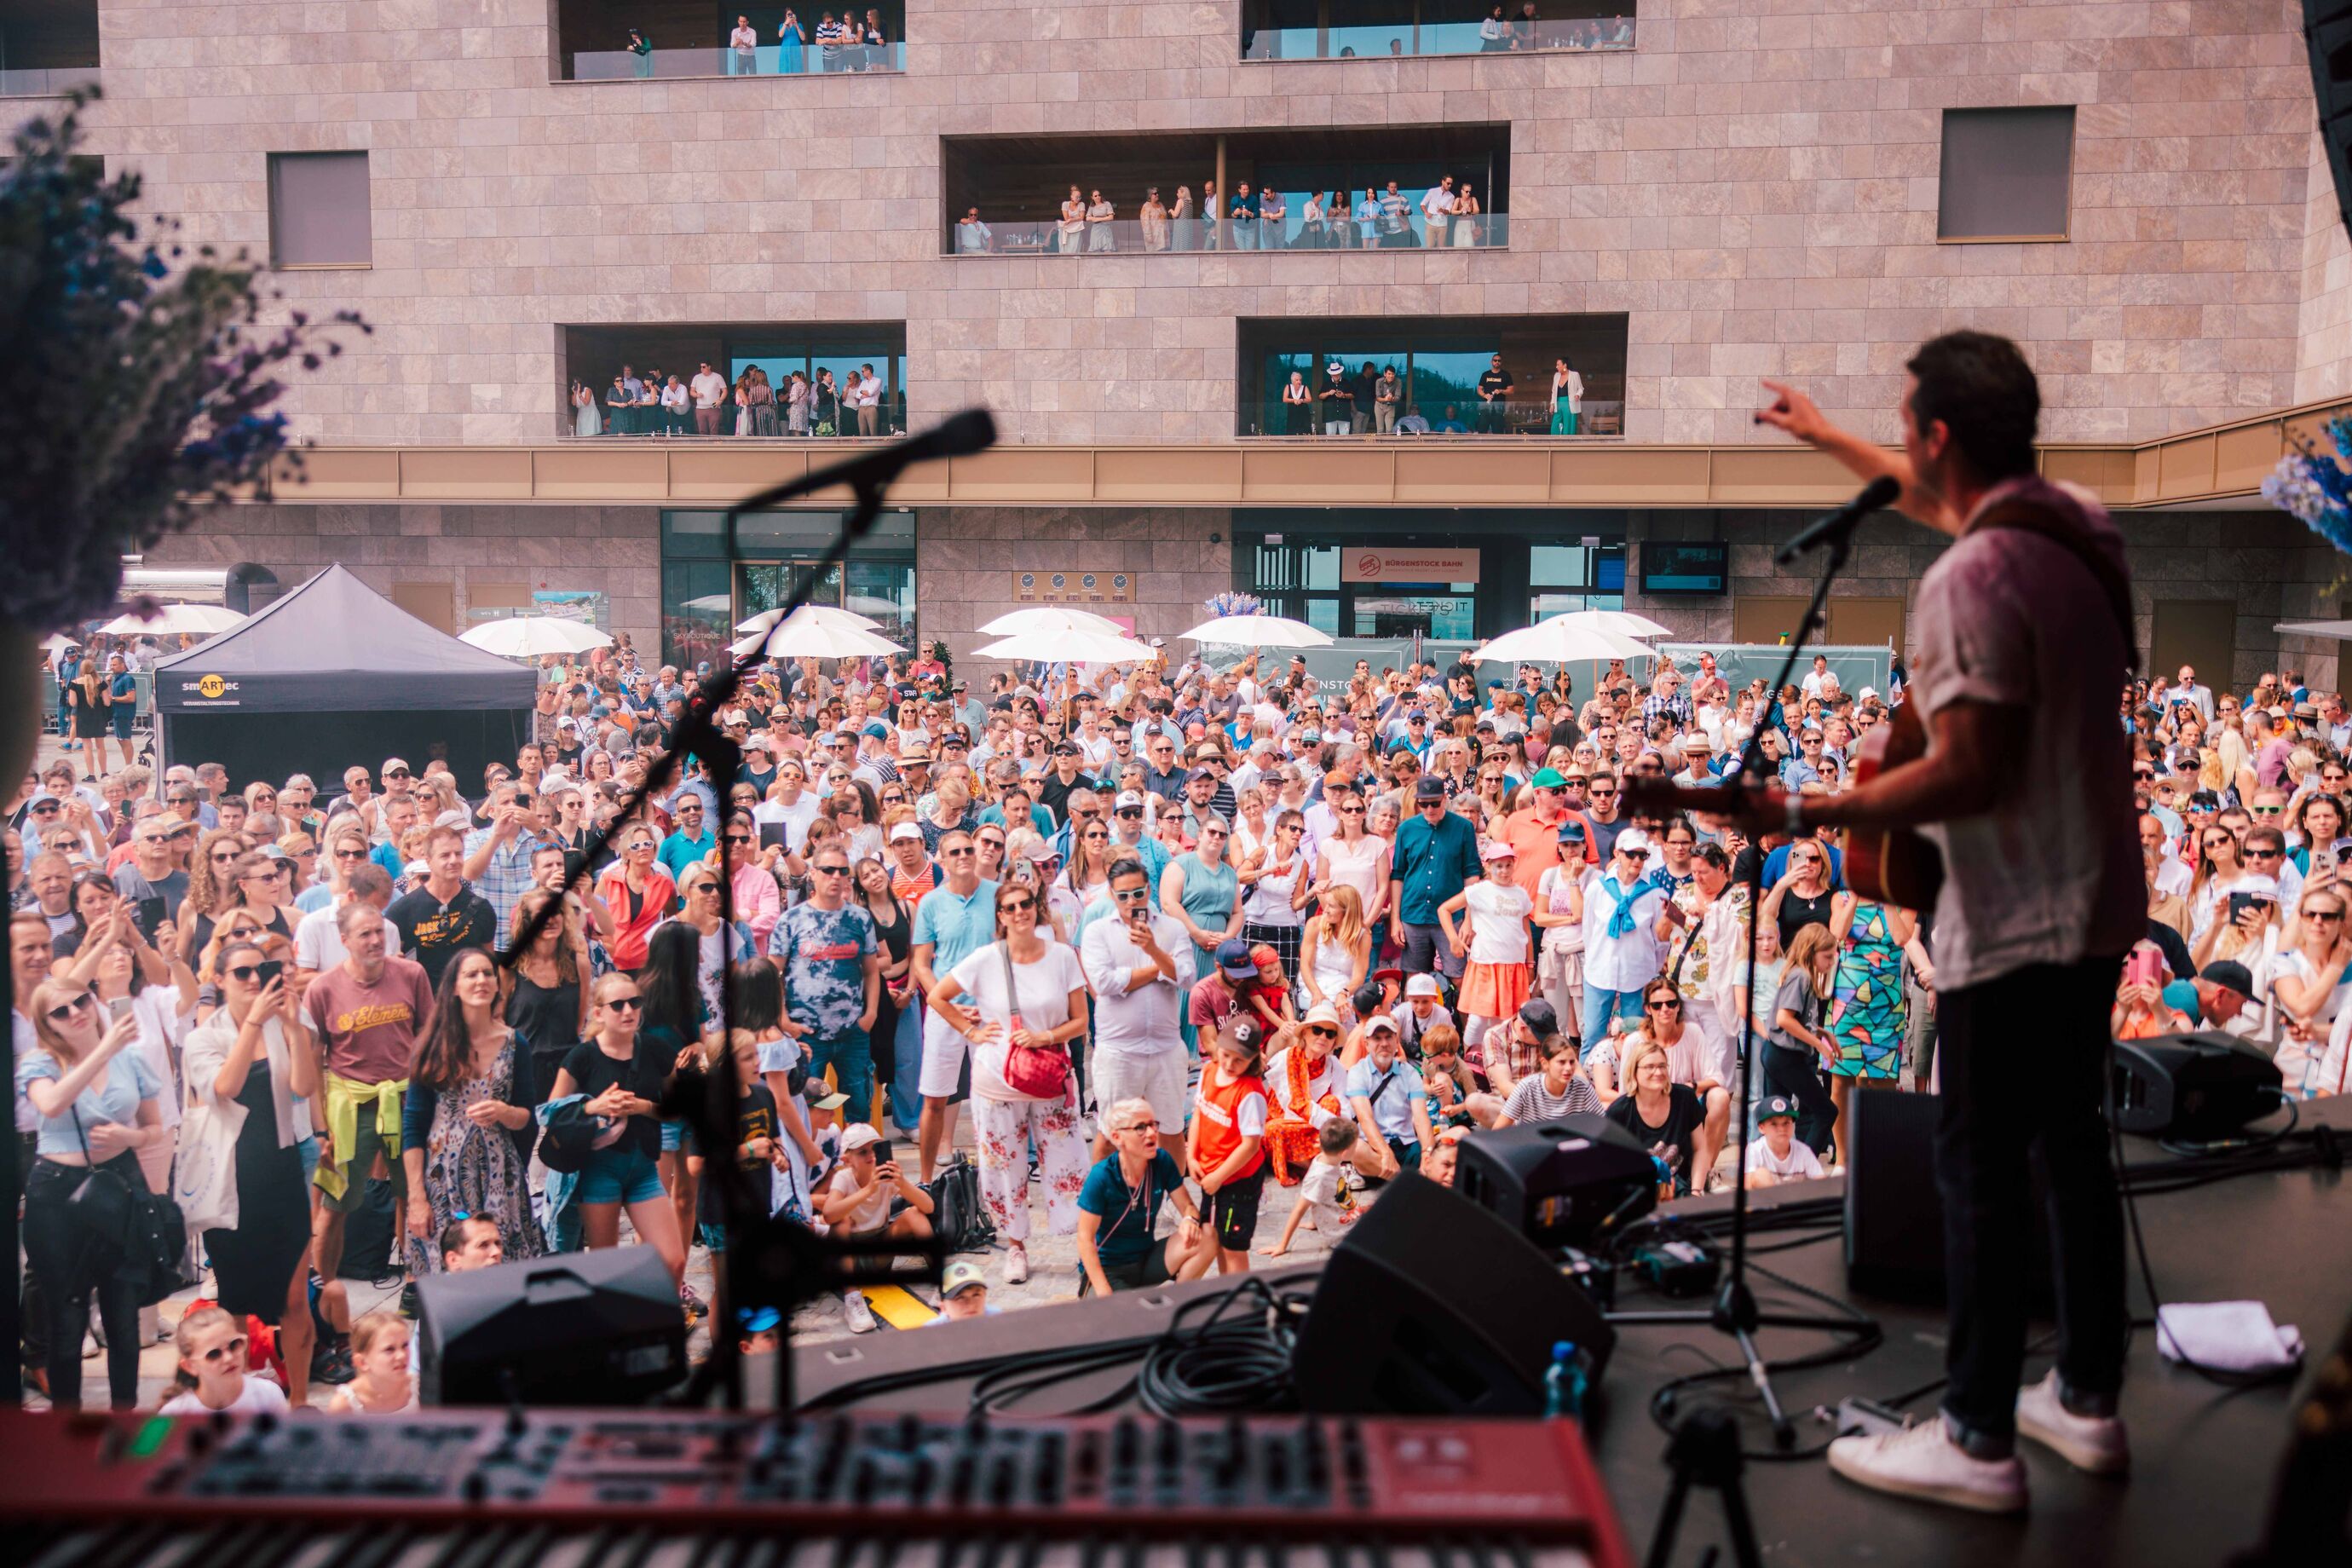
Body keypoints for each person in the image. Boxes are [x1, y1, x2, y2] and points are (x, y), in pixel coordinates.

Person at [1754, 335, 2140, 1509]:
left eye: (1902, 424)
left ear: (1934, 435)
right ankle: (2086, 1399)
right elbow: (1948, 502)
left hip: (2013, 913)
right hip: (2098, 898)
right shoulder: (2079, 526)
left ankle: (1975, 1437)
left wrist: (1819, 804)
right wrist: (1829, 437)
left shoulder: (1966, 585)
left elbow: (1963, 773)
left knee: (1977, 1164)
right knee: (2073, 1148)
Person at [926, 879, 1089, 1284]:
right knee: (1004, 1165)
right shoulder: (985, 959)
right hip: (997, 1078)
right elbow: (937, 996)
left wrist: (1045, 1037)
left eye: (1025, 905)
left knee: (1069, 1160)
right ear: (1000, 916)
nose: (1020, 913)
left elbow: (1081, 1020)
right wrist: (971, 1031)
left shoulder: (1062, 957)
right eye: (1010, 908)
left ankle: (1083, 1241)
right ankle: (1016, 1245)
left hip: (1050, 1076)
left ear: (1036, 908)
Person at [182, 937, 320, 1404]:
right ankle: (239, 1398)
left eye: (259, 969)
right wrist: (256, 1023)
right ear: (219, 981)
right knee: (236, 1305)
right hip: (230, 1184)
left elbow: (303, 1087)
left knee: (296, 1298)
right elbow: (225, 1086)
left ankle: (298, 1399)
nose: (252, 980)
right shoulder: (204, 1037)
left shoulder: (284, 1024)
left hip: (281, 1173)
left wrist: (293, 1029)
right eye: (240, 973)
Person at [17, 977, 164, 1408]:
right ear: (47, 1025)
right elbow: (52, 1104)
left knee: (122, 1315)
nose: (76, 1013)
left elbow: (155, 1126)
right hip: (57, 1196)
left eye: (81, 1001)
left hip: (118, 1184)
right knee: (67, 1317)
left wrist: (130, 1136)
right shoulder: (39, 1062)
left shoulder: (132, 1058)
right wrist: (101, 1048)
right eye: (60, 1011)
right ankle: (68, 1429)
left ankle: (124, 1420)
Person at [304, 900, 434, 1302]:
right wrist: (320, 1128)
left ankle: (415, 1282)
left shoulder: (411, 974)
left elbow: (429, 1038)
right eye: (365, 934)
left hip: (406, 1100)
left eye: (379, 931)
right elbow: (312, 1062)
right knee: (335, 1205)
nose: (375, 940)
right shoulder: (323, 988)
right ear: (344, 941)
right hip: (352, 1106)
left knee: (411, 1195)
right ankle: (323, 1292)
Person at [402, 948, 544, 1277]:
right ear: (454, 986)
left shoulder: (515, 1043)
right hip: (444, 1175)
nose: (481, 980)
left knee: (504, 1268)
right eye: (471, 974)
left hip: (500, 1175)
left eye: (487, 973)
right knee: (449, 1270)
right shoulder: (431, 1044)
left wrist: (503, 1111)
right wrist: (416, 1197)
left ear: (498, 984)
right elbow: (413, 1126)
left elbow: (527, 1116)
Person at [549, 974, 689, 1288]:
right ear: (598, 1012)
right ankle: (616, 1331)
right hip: (599, 1169)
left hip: (643, 1169)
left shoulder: (655, 1049)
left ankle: (655, 1320)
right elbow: (551, 1112)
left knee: (674, 1260)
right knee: (606, 1269)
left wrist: (642, 1107)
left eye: (635, 1003)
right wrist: (592, 1107)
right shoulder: (582, 1057)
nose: (628, 1011)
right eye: (617, 1005)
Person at [1080, 856, 1196, 1154]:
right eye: (1123, 896)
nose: (1132, 902)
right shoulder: (1098, 931)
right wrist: (1158, 971)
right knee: (1111, 1133)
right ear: (1111, 894)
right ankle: (1103, 1201)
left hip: (1166, 1048)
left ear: (1149, 889)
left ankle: (1171, 1200)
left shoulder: (1172, 928)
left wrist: (1153, 950)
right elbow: (1105, 983)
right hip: (1119, 1050)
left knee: (1170, 1131)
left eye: (1138, 893)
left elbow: (1185, 977)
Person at [771, 842, 880, 1122]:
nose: (835, 876)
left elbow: (871, 970)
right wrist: (784, 1021)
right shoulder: (791, 920)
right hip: (806, 1033)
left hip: (852, 1031)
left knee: (858, 1110)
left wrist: (870, 1014)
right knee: (810, 1112)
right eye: (828, 870)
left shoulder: (860, 917)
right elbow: (772, 975)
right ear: (813, 874)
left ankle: (857, 1165)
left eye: (842, 871)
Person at [1075, 1096, 1212, 1294]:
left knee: (1208, 1237)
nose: (1151, 1133)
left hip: (1147, 1259)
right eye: (1140, 1127)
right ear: (1117, 1137)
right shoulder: (1102, 1176)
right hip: (1109, 1269)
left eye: (1152, 1125)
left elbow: (1189, 1208)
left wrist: (1190, 1219)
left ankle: (1177, 1304)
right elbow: (1084, 1238)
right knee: (1131, 1323)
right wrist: (1105, 1292)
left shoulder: (1162, 1160)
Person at [819, 1123, 935, 1333]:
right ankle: (853, 1299)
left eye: (875, 1149)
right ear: (847, 1160)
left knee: (914, 1214)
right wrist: (868, 1190)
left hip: (879, 1249)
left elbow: (928, 1207)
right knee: (842, 1221)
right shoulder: (843, 1178)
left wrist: (902, 1184)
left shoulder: (887, 1177)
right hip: (847, 1256)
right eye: (862, 1152)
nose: (871, 1156)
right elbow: (829, 1214)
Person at [1186, 1017, 1271, 1274]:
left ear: (1254, 1057)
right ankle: (1226, 1290)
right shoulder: (1210, 1071)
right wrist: (1191, 1156)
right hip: (1211, 1173)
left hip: (1237, 1180)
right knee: (1217, 1240)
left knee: (1234, 1247)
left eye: (1240, 1060)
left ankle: (1238, 1297)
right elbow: (1200, 1112)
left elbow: (1250, 1146)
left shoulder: (1250, 1092)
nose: (1230, 1064)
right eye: (1226, 1055)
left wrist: (1218, 1177)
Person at [1439, 839, 1533, 1058]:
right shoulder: (1479, 890)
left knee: (1507, 1019)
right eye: (1498, 866)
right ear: (1488, 866)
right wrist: (1453, 939)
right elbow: (1444, 909)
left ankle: (1498, 1060)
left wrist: (1530, 962)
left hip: (1514, 964)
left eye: (1508, 865)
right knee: (1479, 1018)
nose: (1504, 870)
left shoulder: (1520, 893)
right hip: (1486, 963)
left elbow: (1525, 929)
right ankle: (1471, 1059)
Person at [1392, 775, 1481, 985]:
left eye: (1434, 803)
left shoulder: (1463, 827)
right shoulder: (1407, 828)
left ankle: (1467, 1020)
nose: (1429, 809)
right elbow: (1398, 874)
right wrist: (1395, 918)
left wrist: (1469, 918)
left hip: (1452, 916)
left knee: (1460, 978)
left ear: (1444, 799)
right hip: (1414, 913)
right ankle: (1414, 1019)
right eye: (1423, 804)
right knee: (1415, 980)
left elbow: (1472, 874)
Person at [158, 1305, 291, 1416]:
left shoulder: (268, 1395)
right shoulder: (176, 1412)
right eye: (214, 1354)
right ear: (190, 1366)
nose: (228, 1358)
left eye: (234, 1345)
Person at [1345, 1012, 1434, 1178]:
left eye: (1388, 1038)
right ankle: (1410, 1180)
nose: (1384, 1043)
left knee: (1454, 1139)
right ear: (1367, 1044)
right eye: (1377, 1039)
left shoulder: (1410, 1073)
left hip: (1406, 1144)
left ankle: (1401, 1178)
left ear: (1396, 1042)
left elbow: (1421, 1118)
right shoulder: (1358, 1072)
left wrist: (1427, 1153)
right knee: (1355, 1147)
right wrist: (1385, 1153)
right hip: (1375, 1150)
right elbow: (1365, 1119)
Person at [1259, 1118, 1364, 1258]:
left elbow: (1323, 1195)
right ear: (1344, 1153)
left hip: (1351, 1217)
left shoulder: (1326, 1158)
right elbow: (1298, 1210)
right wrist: (1282, 1246)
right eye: (1355, 1146)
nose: (1356, 1149)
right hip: (1344, 1234)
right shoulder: (1319, 1176)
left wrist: (1316, 1222)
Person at [1493, 1032, 1601, 1126]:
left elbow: (1602, 1124)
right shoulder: (1527, 1087)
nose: (1568, 1068)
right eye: (1561, 1062)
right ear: (1545, 1063)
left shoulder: (1583, 1087)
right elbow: (1499, 1130)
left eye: (1572, 1062)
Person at [325, 1311, 418, 1414]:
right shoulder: (344, 1405)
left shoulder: (418, 1387)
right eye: (389, 1349)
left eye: (405, 1346)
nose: (402, 1355)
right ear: (362, 1362)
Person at [1743, 1093, 1827, 1188]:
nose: (1781, 1128)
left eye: (1786, 1123)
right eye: (1774, 1124)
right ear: (1762, 1128)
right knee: (1761, 1175)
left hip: (1796, 1200)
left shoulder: (1803, 1151)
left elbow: (1821, 1183)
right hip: (1766, 1201)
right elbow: (1747, 1186)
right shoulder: (1755, 1150)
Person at [1551, 357, 1583, 434]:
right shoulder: (1556, 375)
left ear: (1564, 365)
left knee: (1568, 426)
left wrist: (1578, 395)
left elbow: (1581, 388)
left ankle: (1568, 444)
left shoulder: (1575, 375)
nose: (1556, 367)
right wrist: (1552, 404)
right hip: (1558, 403)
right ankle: (1555, 443)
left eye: (1558, 365)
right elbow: (1554, 391)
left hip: (1570, 403)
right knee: (1555, 426)